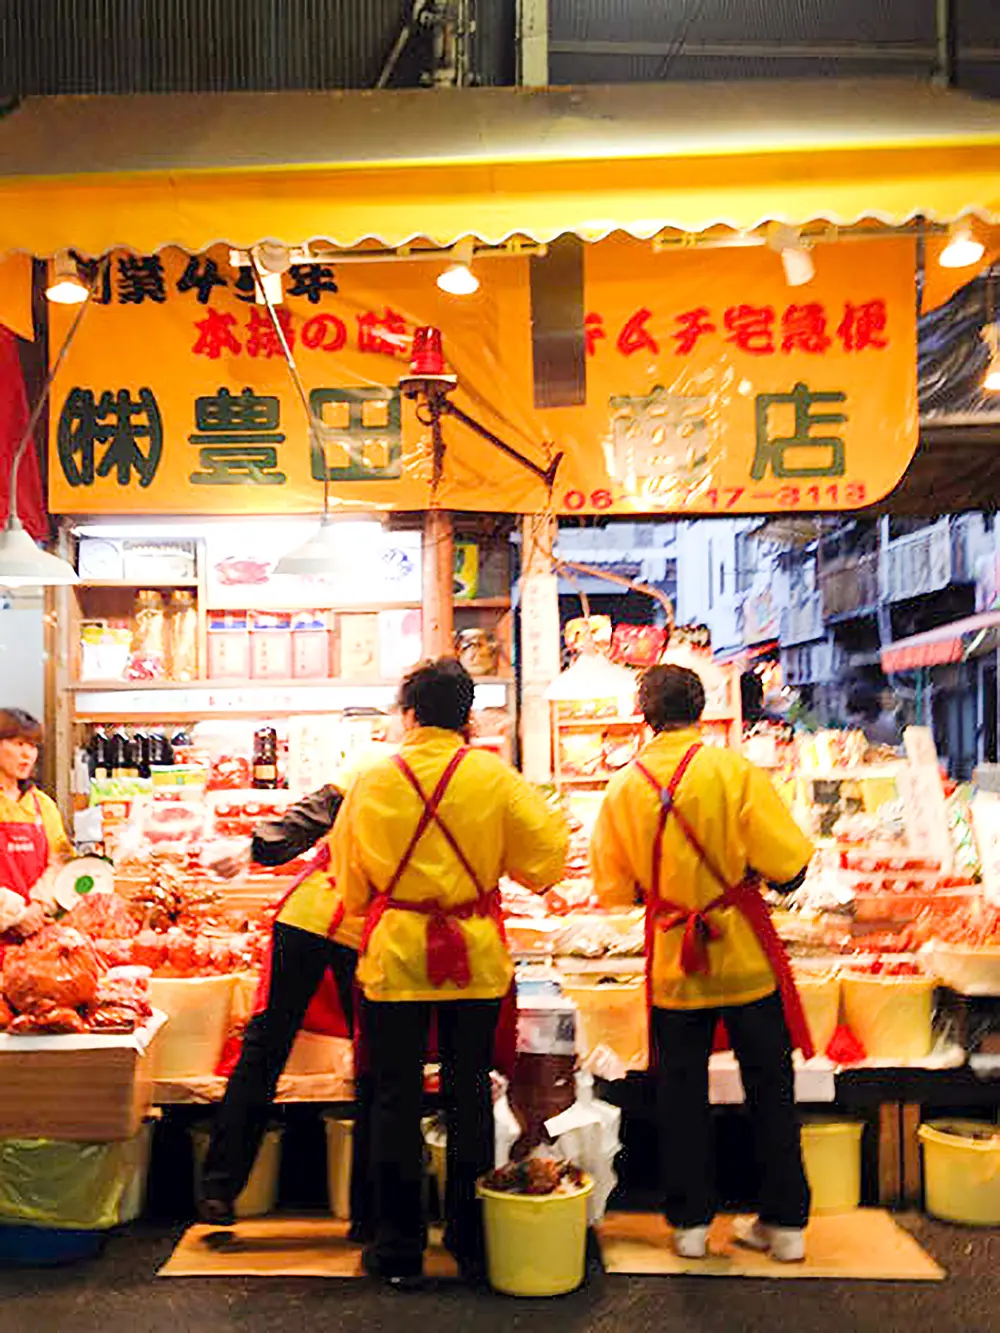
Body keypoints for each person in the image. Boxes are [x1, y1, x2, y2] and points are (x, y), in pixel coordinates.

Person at [330, 657, 568, 1286]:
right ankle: (471, 1241)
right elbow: (545, 861)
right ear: (467, 717)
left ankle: (398, 1251)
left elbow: (350, 888)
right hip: (475, 959)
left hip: (395, 957)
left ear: (408, 714)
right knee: (469, 1098)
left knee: (394, 1101)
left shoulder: (372, 780)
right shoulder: (495, 776)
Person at [590, 665, 815, 1263]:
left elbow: (613, 890)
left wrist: (661, 888)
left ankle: (689, 1224)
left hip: (673, 965)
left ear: (645, 714)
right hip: (744, 956)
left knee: (681, 1096)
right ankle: (786, 1226)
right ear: (700, 709)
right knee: (771, 1090)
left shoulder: (623, 785)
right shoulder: (734, 771)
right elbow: (789, 863)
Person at [198, 743, 396, 1235]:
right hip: (368, 925)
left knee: (265, 1047)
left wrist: (254, 847)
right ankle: (367, 1211)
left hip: (307, 914)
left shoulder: (376, 763)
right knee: (376, 1063)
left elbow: (313, 813)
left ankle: (219, 1188)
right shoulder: (452, 775)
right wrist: (254, 847)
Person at [0, 708, 73, 942]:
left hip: (35, 936)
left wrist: (39, 907)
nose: (27, 755)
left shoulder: (43, 804)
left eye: (32, 746)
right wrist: (14, 915)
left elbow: (60, 863)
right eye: (18, 743)